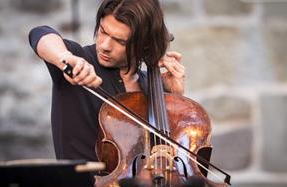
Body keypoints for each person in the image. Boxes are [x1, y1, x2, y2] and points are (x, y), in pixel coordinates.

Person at [28, 0, 185, 164]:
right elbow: (39, 34)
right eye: (103, 31)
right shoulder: (79, 62)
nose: (104, 45)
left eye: (120, 41)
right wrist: (65, 58)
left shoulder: (151, 87)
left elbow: (170, 159)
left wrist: (177, 100)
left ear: (143, 45)